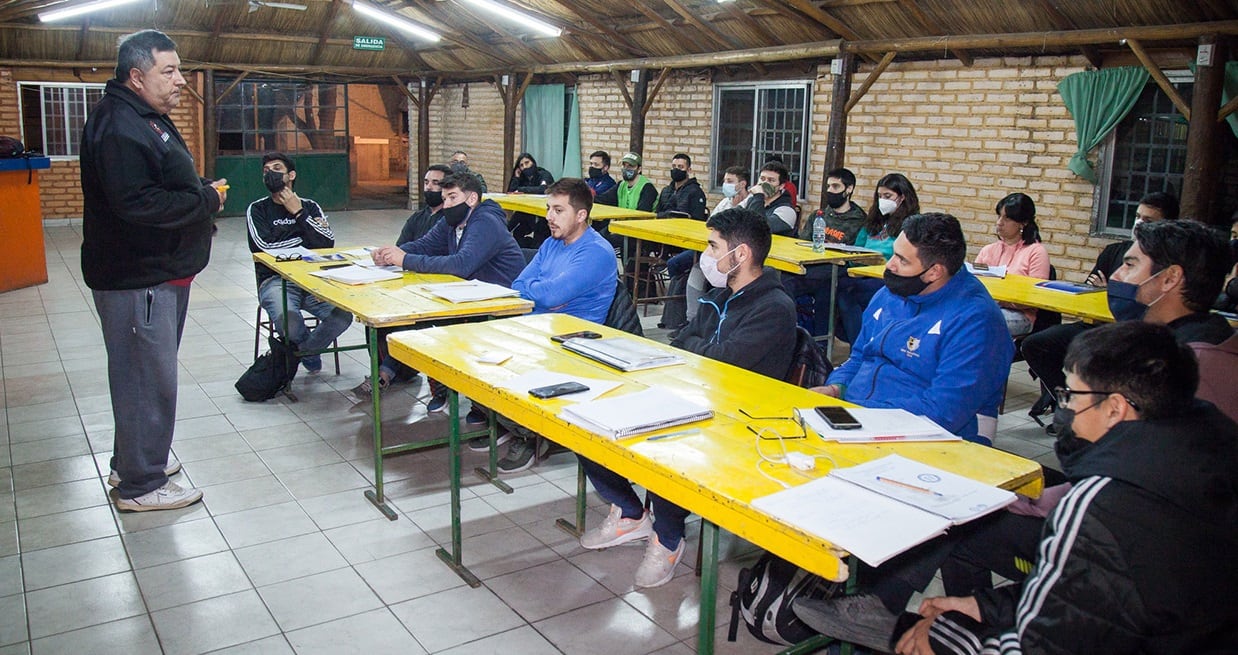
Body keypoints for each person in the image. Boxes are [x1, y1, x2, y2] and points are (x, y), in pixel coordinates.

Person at [793, 215, 1238, 638]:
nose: (1114, 274)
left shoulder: (1198, 369)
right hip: (1112, 514)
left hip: (1146, 558)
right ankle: (956, 612)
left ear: (1170, 279)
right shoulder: (1167, 346)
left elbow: (1136, 498)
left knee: (955, 514)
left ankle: (889, 613)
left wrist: (1034, 498)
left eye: (1129, 263)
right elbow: (1124, 471)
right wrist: (838, 390)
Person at [576, 206, 797, 589]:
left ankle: (668, 538)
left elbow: (725, 362)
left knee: (668, 447)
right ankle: (631, 513)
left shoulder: (773, 307)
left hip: (737, 417)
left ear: (741, 254)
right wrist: (698, 348)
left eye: (713, 246)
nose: (706, 256)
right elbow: (680, 342)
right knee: (586, 425)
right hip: (690, 393)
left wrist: (697, 348)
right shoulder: (718, 295)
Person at [81, 29, 226, 511]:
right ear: (137, 76)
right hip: (139, 276)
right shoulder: (120, 126)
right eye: (170, 71)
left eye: (180, 69)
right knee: (146, 378)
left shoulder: (145, 117)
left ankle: (136, 460)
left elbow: (161, 178)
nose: (181, 80)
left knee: (141, 374)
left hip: (160, 271)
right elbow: (136, 203)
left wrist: (197, 188)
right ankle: (142, 485)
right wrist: (204, 200)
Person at [816, 213, 1013, 445]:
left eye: (902, 259)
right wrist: (836, 388)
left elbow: (943, 411)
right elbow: (860, 355)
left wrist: (859, 411)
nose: (890, 265)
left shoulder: (976, 322)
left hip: (932, 437)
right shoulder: (892, 294)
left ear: (934, 272)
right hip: (860, 420)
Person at [358, 172, 525, 412]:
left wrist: (405, 260)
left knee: (427, 324)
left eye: (452, 197)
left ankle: (466, 395)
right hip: (467, 298)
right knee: (407, 316)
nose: (446, 204)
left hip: (500, 305)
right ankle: (429, 381)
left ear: (471, 199)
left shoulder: (485, 221)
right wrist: (390, 254)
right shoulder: (451, 220)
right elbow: (424, 245)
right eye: (444, 198)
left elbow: (461, 264)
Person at [486, 179, 618, 472]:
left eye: (558, 210)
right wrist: (544, 294)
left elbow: (551, 295)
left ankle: (532, 434)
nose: (549, 217)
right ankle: (512, 421)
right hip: (535, 329)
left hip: (571, 342)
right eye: (548, 208)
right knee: (472, 363)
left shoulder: (596, 251)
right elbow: (518, 284)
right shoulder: (550, 244)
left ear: (581, 215)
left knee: (499, 373)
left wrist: (543, 294)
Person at [1022, 191, 1179, 422]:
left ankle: (1097, 409)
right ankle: (1066, 401)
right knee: (1036, 344)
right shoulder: (1114, 251)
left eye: (1148, 221)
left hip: (1134, 332)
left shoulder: (1165, 264)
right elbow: (1089, 288)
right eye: (1137, 216)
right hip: (1096, 325)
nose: (1139, 224)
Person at [246, 152, 352, 374]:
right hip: (275, 280)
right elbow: (263, 246)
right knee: (290, 324)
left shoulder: (310, 206)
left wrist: (299, 213)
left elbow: (326, 243)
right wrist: (306, 238)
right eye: (266, 171)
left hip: (312, 279)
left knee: (343, 316)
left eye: (276, 168)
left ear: (291, 175)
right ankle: (308, 353)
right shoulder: (257, 209)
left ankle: (306, 352)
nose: (270, 174)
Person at [834, 173, 921, 344]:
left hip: (889, 277)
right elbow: (858, 247)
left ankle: (860, 346)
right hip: (862, 272)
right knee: (837, 285)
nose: (882, 200)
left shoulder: (911, 225)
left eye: (888, 196)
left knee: (850, 292)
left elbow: (906, 256)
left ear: (902, 197)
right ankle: (857, 344)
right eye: (880, 196)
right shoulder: (874, 222)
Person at [783, 167, 867, 336]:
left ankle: (819, 344)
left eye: (835, 187)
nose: (830, 191)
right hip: (812, 266)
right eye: (828, 186)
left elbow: (854, 255)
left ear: (849, 189)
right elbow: (803, 244)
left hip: (837, 270)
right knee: (783, 279)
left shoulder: (859, 220)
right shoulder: (819, 216)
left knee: (824, 292)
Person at [974, 192, 1050, 336]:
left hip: (1020, 315)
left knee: (979, 323)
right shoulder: (988, 250)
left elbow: (1035, 298)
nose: (999, 223)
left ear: (1023, 222)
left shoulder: (1036, 252)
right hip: (987, 308)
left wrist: (1001, 300)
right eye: (999, 216)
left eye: (1007, 218)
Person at [397, 163, 450, 245]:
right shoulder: (417, 217)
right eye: (426, 182)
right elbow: (401, 246)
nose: (428, 187)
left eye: (435, 183)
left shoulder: (450, 219)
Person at [743, 160, 797, 236]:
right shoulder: (752, 199)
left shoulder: (787, 211)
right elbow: (733, 217)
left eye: (771, 180)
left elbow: (758, 228)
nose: (765, 183)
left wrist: (759, 196)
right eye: (762, 179)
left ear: (781, 186)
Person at [654, 152, 707, 220]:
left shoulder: (695, 192)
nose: (676, 170)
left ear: (689, 170)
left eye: (680, 167)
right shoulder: (666, 190)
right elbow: (657, 213)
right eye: (674, 166)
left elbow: (697, 218)